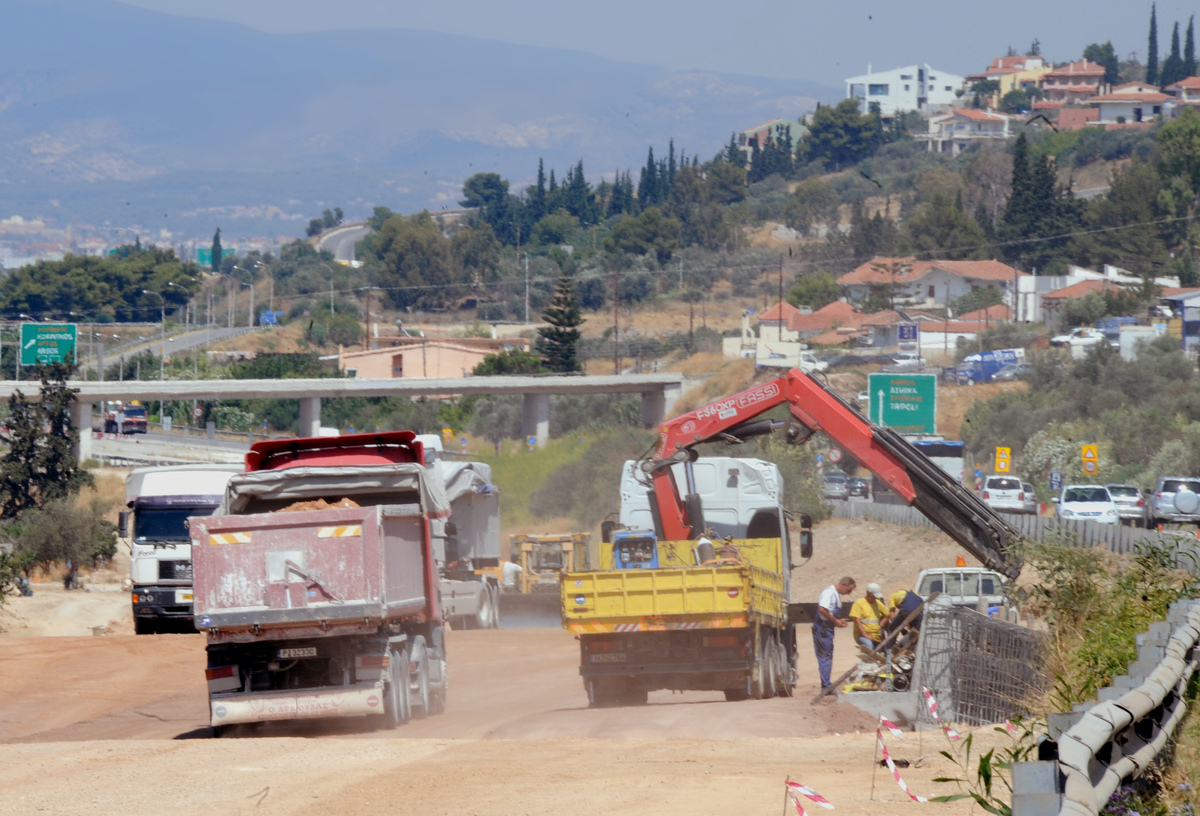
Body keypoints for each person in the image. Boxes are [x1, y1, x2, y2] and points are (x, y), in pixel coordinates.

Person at [813, 576, 855, 689]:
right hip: (823, 629)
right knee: (825, 657)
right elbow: (822, 609)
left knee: (827, 656)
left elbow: (830, 611)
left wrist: (838, 621)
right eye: (849, 590)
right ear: (843, 585)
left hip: (828, 629)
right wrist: (835, 620)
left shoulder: (834, 594)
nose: (849, 593)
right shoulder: (829, 593)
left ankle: (826, 684)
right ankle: (826, 685)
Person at [849, 583, 888, 652]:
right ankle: (868, 660)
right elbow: (857, 621)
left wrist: (881, 623)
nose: (875, 598)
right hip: (862, 636)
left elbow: (887, 614)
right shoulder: (859, 603)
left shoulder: (877, 603)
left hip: (876, 636)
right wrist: (865, 635)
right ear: (869, 593)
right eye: (874, 596)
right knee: (869, 644)